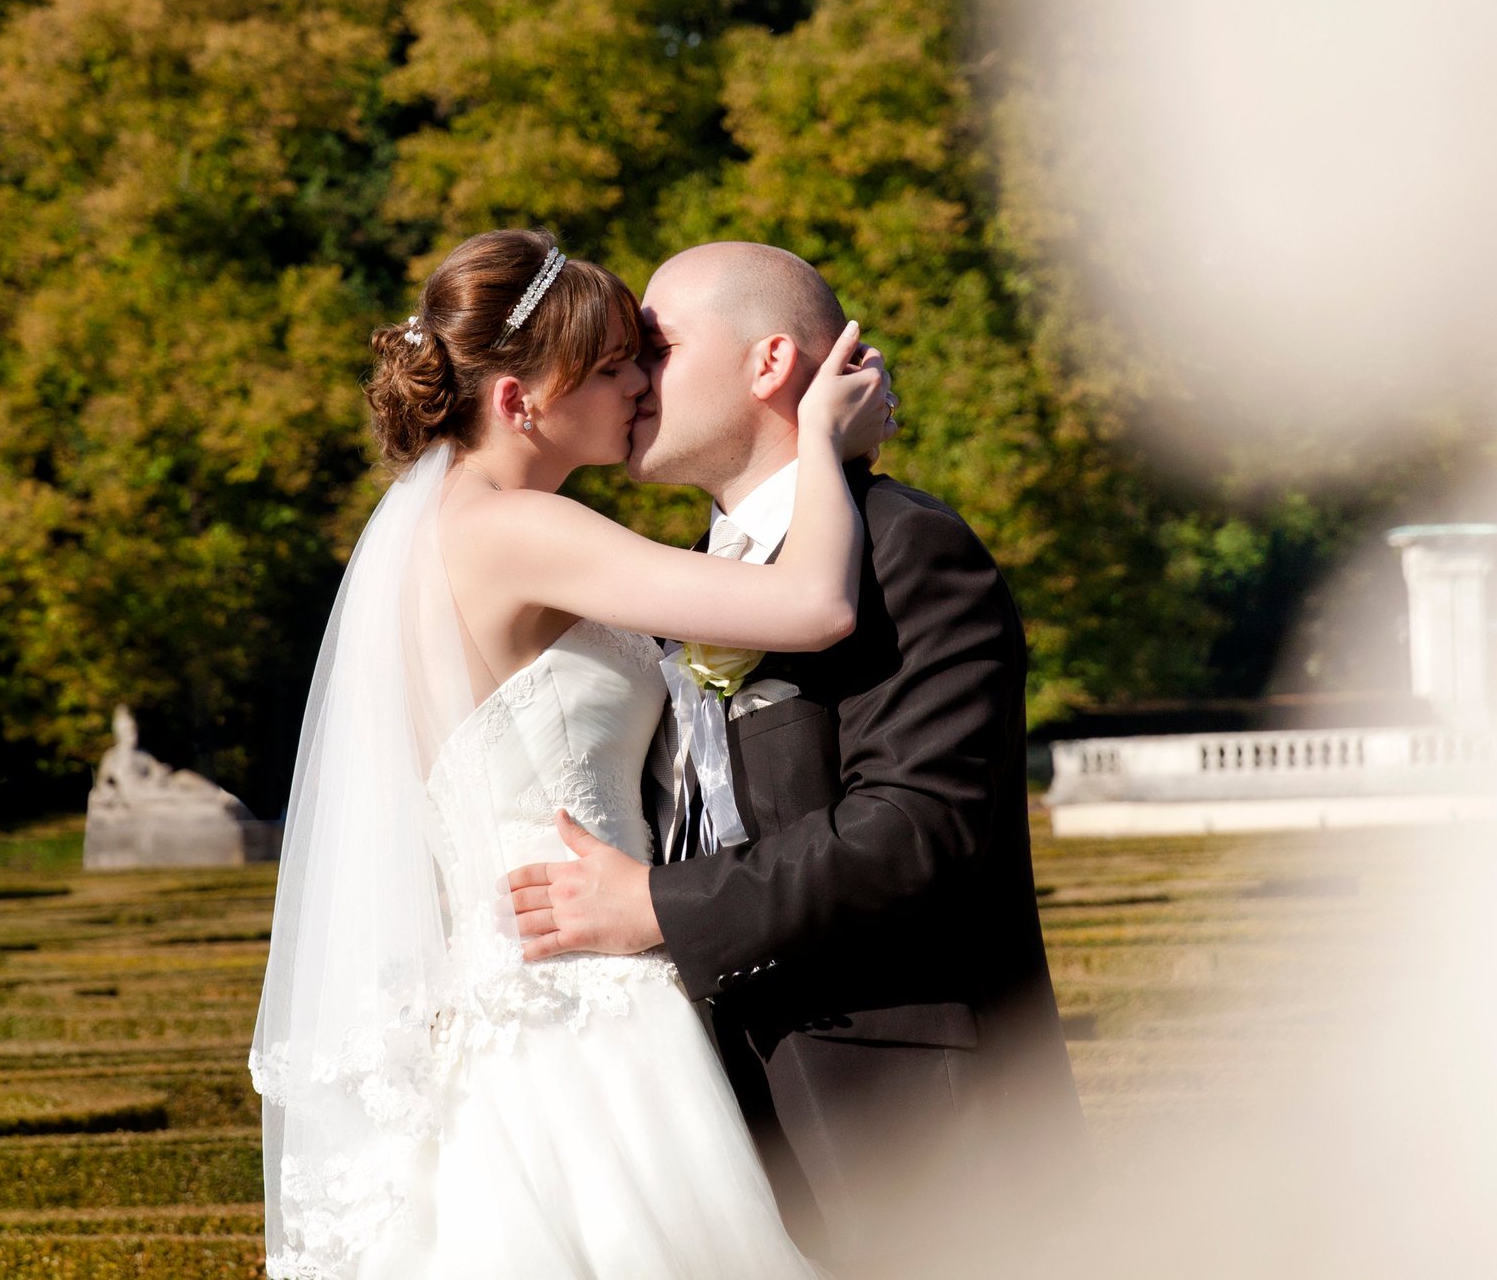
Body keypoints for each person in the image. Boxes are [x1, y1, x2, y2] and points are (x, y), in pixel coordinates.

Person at [251, 228, 893, 1280]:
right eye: (609, 368)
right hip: (586, 1007)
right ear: (520, 401)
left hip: (525, 992)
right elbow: (813, 605)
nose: (641, 381)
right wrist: (820, 440)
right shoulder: (517, 529)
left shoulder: (444, 531)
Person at [506, 241, 1084, 1278]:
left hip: (897, 1120)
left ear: (770, 364)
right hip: (706, 1118)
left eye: (655, 346)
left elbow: (916, 829)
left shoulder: (909, 548)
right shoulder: (688, 583)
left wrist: (657, 907)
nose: (629, 376)